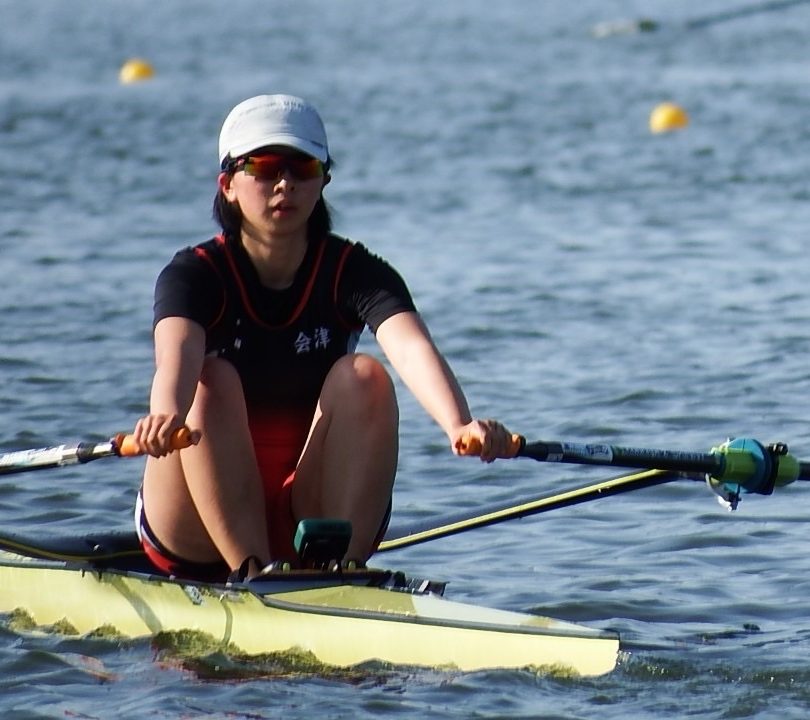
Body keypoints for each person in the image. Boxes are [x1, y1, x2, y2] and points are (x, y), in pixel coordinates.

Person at [131, 93, 514, 581]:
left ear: (323, 181)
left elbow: (411, 347)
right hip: (194, 524)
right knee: (211, 379)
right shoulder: (194, 275)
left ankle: (339, 572)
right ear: (227, 185)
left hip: (308, 506)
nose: (284, 183)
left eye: (303, 167)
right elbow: (177, 360)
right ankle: (252, 573)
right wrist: (165, 415)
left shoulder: (355, 272)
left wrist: (460, 425)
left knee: (366, 376)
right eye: (264, 167)